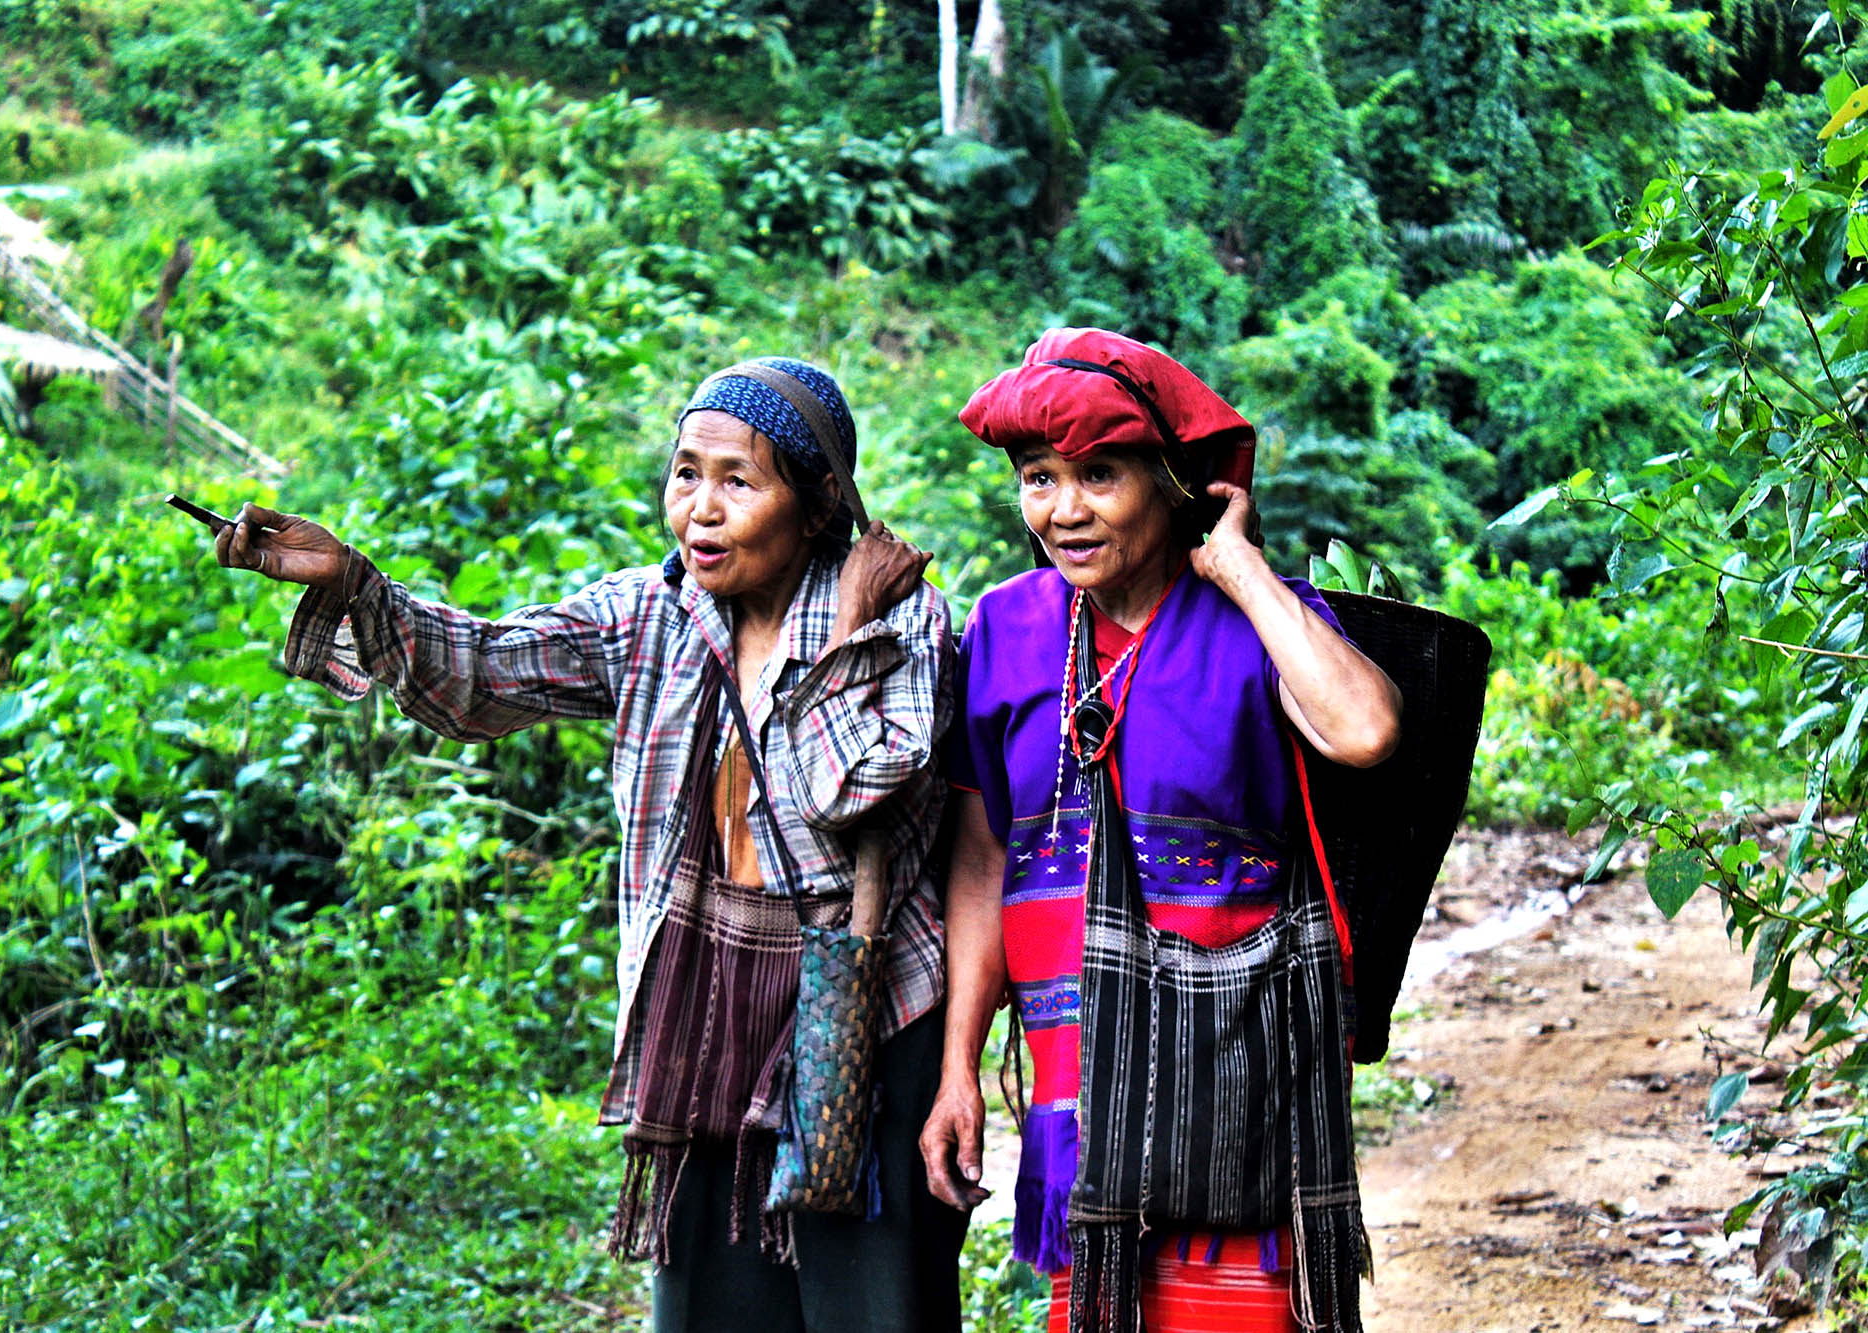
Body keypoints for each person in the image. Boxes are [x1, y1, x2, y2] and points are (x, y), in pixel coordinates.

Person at [213, 357, 969, 1332]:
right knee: (711, 1314)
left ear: (817, 501)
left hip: (862, 1026)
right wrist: (357, 585)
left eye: (737, 481)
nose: (699, 507)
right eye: (685, 472)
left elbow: (844, 788)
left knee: (873, 1314)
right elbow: (485, 671)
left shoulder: (899, 616)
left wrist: (835, 634)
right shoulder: (647, 614)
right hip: (707, 1034)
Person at [917, 329, 1402, 1333]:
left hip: (1235, 1073)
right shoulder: (1003, 632)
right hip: (1075, 1080)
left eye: (1099, 475)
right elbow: (980, 860)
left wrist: (1240, 566)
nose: (1063, 509)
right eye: (1038, 478)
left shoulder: (1257, 625)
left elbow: (1364, 730)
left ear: (1170, 481)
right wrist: (958, 1063)